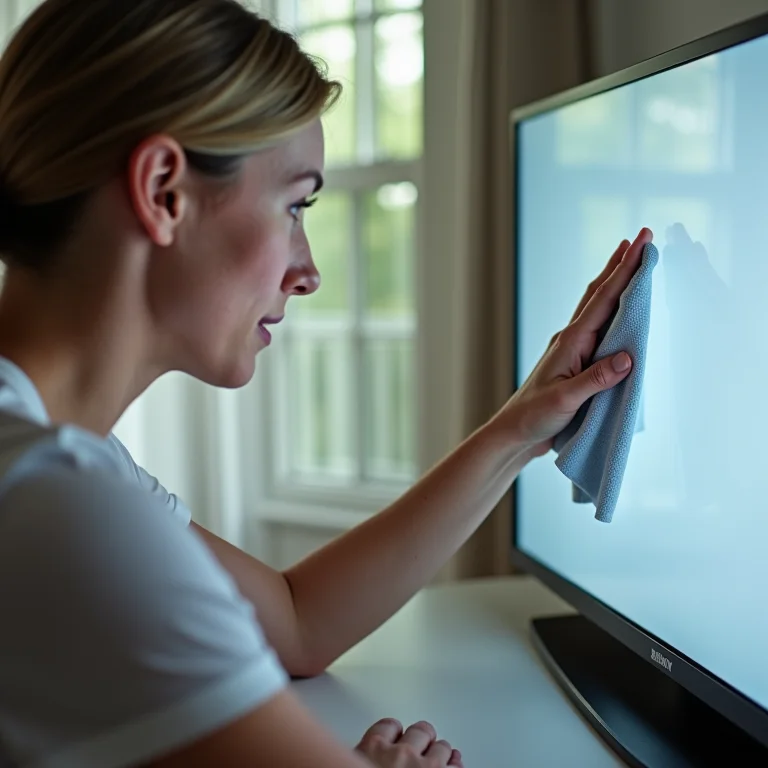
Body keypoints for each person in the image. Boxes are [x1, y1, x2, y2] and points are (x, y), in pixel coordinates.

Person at [0, 0, 653, 766]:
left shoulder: (66, 459)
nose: (307, 273)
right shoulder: (59, 505)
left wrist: (518, 430)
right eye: (294, 205)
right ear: (164, 189)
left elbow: (295, 623)